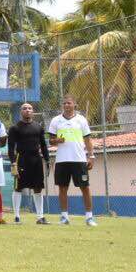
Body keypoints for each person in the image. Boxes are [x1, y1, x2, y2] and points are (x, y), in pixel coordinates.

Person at [48, 96, 97, 226]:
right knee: (62, 188)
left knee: (85, 187)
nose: (66, 105)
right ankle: (64, 217)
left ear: (75, 104)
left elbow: (87, 140)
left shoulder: (81, 120)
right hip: (62, 161)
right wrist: (57, 140)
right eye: (64, 103)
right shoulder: (55, 120)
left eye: (69, 103)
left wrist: (91, 156)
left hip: (79, 160)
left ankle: (89, 218)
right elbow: (50, 141)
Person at [8, 102, 49, 224]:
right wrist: (13, 163)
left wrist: (46, 160)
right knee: (18, 187)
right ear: (21, 111)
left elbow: (43, 145)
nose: (27, 110)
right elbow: (11, 147)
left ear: (33, 111)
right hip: (21, 160)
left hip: (36, 160)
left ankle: (40, 217)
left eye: (30, 108)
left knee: (38, 188)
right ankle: (16, 217)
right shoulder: (15, 128)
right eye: (24, 108)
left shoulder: (38, 127)